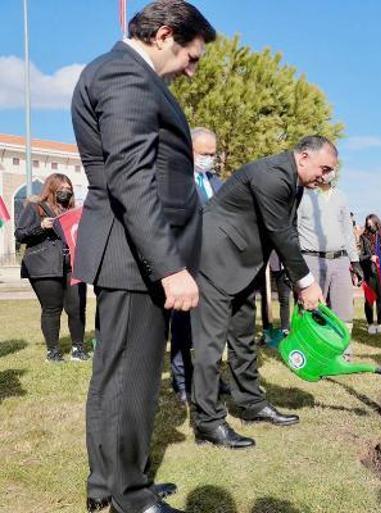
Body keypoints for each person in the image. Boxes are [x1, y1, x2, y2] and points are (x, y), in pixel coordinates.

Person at [70, 1, 216, 512]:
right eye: (191, 57)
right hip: (134, 257)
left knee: (118, 375)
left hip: (132, 253)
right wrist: (172, 267)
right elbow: (132, 180)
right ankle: (127, 495)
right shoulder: (126, 76)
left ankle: (112, 483)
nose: (193, 70)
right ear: (165, 35)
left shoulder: (125, 73)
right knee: (129, 379)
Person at [190, 135, 329, 449]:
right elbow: (280, 232)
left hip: (241, 264)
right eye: (324, 167)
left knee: (242, 338)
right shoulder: (274, 175)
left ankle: (251, 404)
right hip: (214, 259)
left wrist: (298, 279)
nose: (326, 176)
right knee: (210, 347)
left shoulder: (293, 180)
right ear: (304, 156)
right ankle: (208, 422)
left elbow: (287, 231)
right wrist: (306, 283)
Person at [169, 127, 223, 404]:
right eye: (205, 154)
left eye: (213, 154)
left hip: (212, 265)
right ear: (189, 151)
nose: (210, 159)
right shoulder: (174, 181)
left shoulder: (216, 182)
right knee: (182, 326)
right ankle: (181, 380)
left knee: (210, 327)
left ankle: (210, 377)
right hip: (184, 264)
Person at [14, 173, 88, 363]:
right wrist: (41, 226)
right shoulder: (35, 207)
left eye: (69, 189)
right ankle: (53, 352)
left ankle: (78, 349)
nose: (66, 191)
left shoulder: (72, 212)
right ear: (51, 188)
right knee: (52, 309)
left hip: (72, 265)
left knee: (77, 307)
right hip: (43, 266)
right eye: (62, 188)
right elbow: (20, 234)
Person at [297, 169, 363, 353]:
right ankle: (309, 352)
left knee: (344, 310)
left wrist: (355, 261)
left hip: (340, 259)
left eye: (331, 169)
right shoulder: (302, 195)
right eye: (324, 169)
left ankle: (343, 353)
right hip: (311, 258)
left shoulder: (341, 196)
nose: (328, 173)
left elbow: (347, 231)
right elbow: (293, 230)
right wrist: (295, 268)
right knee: (312, 308)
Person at [360, 214, 381, 334]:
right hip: (369, 273)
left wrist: (379, 259)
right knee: (369, 300)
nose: (370, 226)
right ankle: (370, 324)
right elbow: (360, 256)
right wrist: (369, 257)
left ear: (376, 223)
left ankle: (380, 323)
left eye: (372, 224)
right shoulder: (363, 237)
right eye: (368, 225)